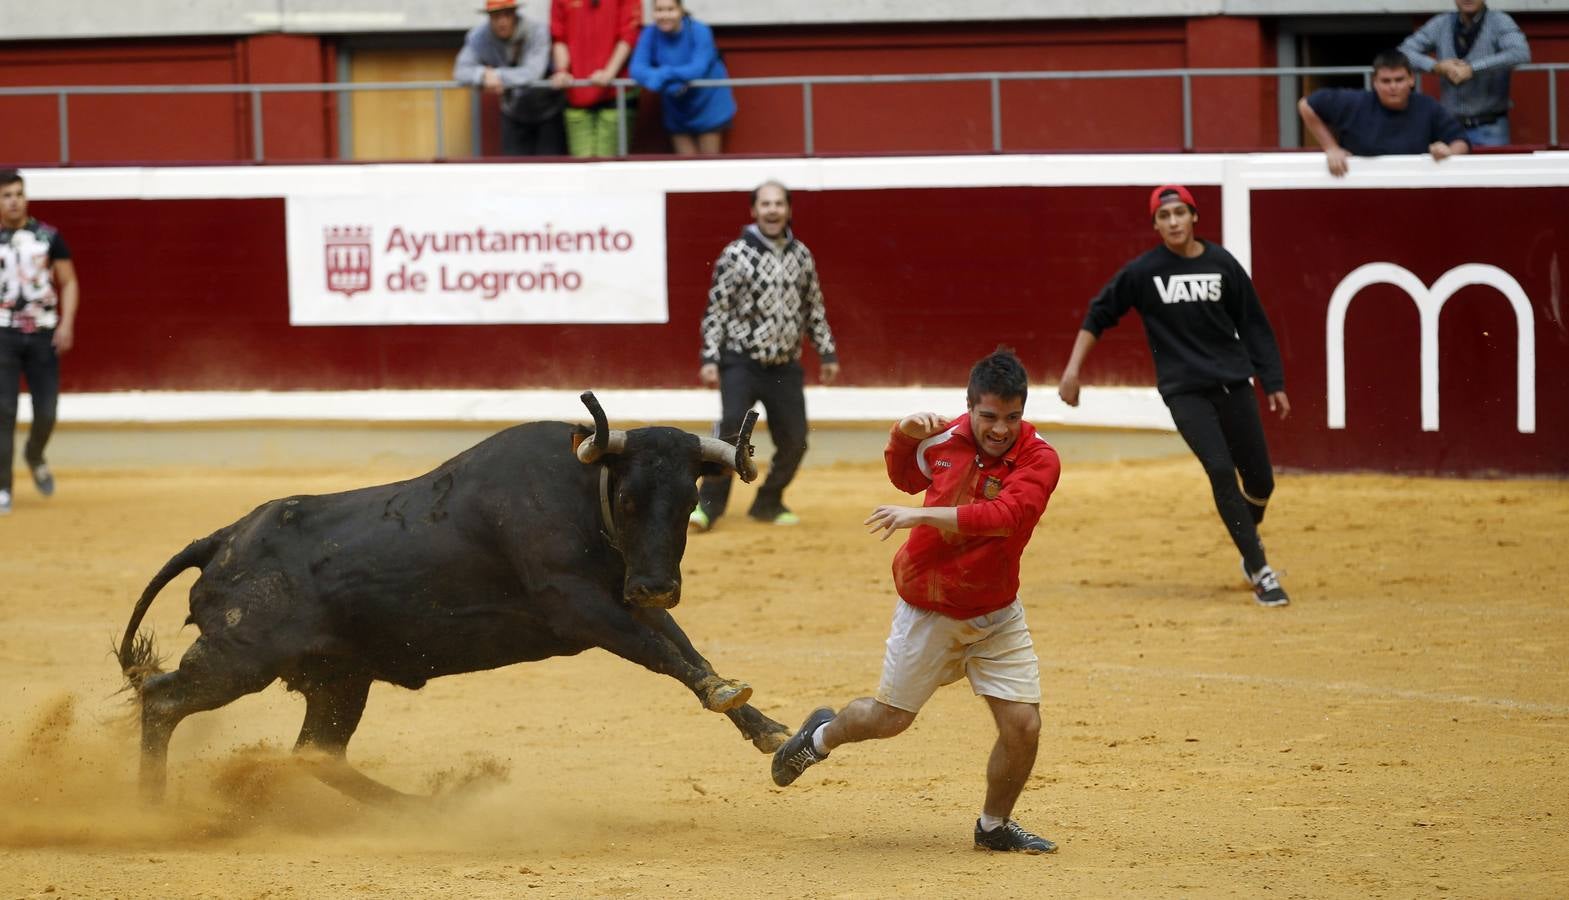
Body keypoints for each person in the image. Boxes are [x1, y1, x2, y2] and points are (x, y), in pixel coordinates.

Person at [770, 348, 1062, 855]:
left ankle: (993, 826)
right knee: (889, 720)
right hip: (931, 607)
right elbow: (906, 475)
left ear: (1023, 411)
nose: (1000, 429)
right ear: (970, 406)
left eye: (1012, 418)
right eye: (989, 416)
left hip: (996, 612)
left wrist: (920, 517)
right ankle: (820, 737)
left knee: (1024, 724)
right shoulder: (946, 437)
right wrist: (903, 433)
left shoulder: (1040, 459)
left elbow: (1006, 515)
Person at [1058, 185, 1290, 606]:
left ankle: (1245, 534)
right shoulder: (1145, 272)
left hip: (1234, 384)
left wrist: (1272, 382)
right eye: (1163, 217)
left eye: (1179, 213)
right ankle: (1260, 568)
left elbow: (1253, 322)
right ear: (1156, 225)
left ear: (1194, 217)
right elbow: (1099, 312)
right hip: (1184, 391)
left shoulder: (1222, 264)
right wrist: (1073, 371)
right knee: (1221, 471)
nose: (1173, 222)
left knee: (1261, 481)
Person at [691, 180, 838, 530]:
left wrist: (827, 351)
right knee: (729, 436)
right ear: (754, 211)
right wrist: (710, 357)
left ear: (788, 210)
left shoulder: (802, 255)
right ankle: (707, 508)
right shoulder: (735, 254)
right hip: (740, 360)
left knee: (796, 440)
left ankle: (768, 501)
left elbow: (813, 307)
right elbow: (717, 309)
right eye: (765, 204)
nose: (772, 210)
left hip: (784, 365)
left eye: (778, 204)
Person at [0, 169, 78, 516]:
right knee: (3, 413)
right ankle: (3, 486)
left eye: (17, 193)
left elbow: (69, 282)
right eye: (6, 195)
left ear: (25, 196)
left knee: (46, 412)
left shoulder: (48, 237)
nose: (13, 200)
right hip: (2, 334)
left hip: (43, 334)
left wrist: (66, 323)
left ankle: (34, 454)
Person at [1297, 50, 1469, 177]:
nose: (1393, 87)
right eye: (1386, 81)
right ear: (1375, 83)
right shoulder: (1353, 103)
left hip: (1413, 191)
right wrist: (1331, 148)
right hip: (1358, 190)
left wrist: (1448, 152)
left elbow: (1461, 141)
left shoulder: (1427, 107)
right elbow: (1306, 105)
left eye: (1399, 80)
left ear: (1411, 80)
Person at [1398, 0, 1531, 147]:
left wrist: (1472, 69)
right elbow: (1403, 52)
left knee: (1491, 170)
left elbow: (1520, 53)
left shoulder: (1500, 22)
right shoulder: (1441, 23)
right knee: (1449, 171)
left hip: (1490, 126)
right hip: (1449, 127)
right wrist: (1435, 66)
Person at [454, 0, 567, 157]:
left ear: (515, 13)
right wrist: (482, 75)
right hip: (513, 113)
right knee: (514, 171)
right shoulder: (478, 37)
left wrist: (496, 75)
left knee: (551, 171)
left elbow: (533, 72)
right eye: (496, 16)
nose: (502, 21)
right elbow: (460, 71)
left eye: (507, 14)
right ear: (488, 17)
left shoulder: (537, 31)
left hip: (548, 112)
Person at [629, 0, 736, 156]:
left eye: (670, 9)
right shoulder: (650, 33)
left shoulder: (699, 30)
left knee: (709, 165)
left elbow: (697, 68)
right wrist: (672, 82)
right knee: (685, 164)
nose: (665, 15)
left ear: (681, 10)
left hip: (708, 101)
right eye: (659, 10)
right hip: (676, 104)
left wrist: (662, 74)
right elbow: (637, 69)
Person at [549, 0, 642, 158]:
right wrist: (562, 70)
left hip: (616, 92)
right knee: (581, 166)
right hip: (577, 92)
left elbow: (629, 35)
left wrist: (608, 73)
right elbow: (559, 36)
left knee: (608, 166)